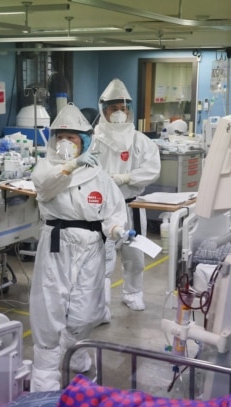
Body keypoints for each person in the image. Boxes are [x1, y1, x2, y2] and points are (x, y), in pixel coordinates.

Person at [30, 103, 130, 392]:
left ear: (84, 141)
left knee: (86, 307)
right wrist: (69, 166)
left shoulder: (99, 175)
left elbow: (113, 209)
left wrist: (118, 228)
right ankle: (45, 376)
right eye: (60, 136)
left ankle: (75, 350)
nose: (64, 142)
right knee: (50, 306)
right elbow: (45, 186)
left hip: (91, 247)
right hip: (57, 244)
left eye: (71, 137)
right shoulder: (46, 167)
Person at [92, 78, 161, 312]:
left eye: (123, 109)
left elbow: (152, 169)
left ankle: (133, 293)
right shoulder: (93, 141)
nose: (119, 113)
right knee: (102, 256)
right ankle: (100, 304)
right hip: (101, 208)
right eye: (114, 109)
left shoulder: (139, 140)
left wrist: (126, 178)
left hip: (132, 205)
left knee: (134, 253)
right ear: (104, 111)